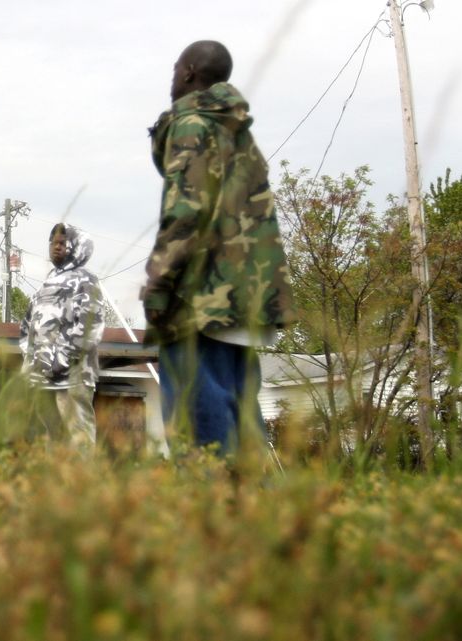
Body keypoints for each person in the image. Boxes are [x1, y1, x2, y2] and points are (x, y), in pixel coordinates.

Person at [141, 40, 294, 453]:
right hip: (246, 298)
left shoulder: (193, 123)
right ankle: (256, 514)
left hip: (203, 303)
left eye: (175, 68)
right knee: (242, 426)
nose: (171, 76)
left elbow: (186, 210)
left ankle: (211, 514)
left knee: (200, 435)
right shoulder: (236, 130)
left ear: (189, 71)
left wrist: (158, 280)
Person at [20, 223, 106, 456]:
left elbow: (91, 325)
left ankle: (82, 488)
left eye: (62, 243)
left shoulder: (86, 280)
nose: (56, 247)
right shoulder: (46, 284)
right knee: (51, 438)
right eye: (53, 243)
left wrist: (65, 359)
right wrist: (30, 361)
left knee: (79, 439)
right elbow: (28, 325)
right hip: (43, 376)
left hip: (73, 376)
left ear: (77, 246)